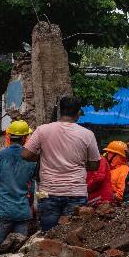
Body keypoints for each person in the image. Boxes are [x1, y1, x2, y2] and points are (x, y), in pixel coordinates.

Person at [22, 95, 100, 232]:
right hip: (76, 192)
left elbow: (25, 154)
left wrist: (43, 156)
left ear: (60, 111)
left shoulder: (42, 130)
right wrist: (80, 162)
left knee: (48, 235)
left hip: (48, 192)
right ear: (78, 114)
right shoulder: (87, 134)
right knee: (71, 236)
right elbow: (95, 165)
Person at [0, 120, 37, 244]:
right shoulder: (32, 158)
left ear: (9, 136)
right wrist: (28, 205)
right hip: (23, 211)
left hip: (4, 210)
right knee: (18, 249)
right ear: (24, 138)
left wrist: (0, 202)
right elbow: (32, 189)